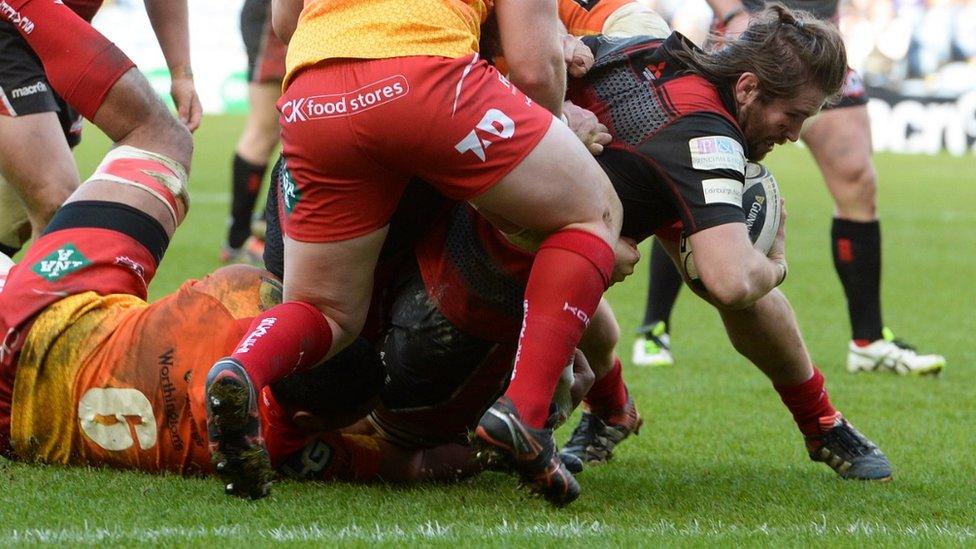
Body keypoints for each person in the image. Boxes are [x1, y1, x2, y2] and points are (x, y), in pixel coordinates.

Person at [207, 0, 629, 505]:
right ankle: (525, 411)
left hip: (313, 98)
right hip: (429, 80)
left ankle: (242, 369)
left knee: (327, 311)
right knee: (591, 212)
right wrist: (556, 125)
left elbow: (283, 23)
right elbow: (536, 69)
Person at [632, 0, 946, 375]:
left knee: (858, 180)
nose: (795, 137)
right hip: (758, 37)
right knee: (698, 179)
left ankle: (869, 341)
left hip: (821, 45)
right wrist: (733, 13)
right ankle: (655, 327)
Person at [0, 0, 201, 257]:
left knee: (11, 220)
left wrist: (182, 73)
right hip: (15, 28)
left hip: (66, 32)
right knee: (54, 201)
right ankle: (54, 296)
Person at [220, 0, 288, 265]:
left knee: (288, 126)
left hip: (292, 16)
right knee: (264, 129)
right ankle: (239, 236)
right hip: (274, 16)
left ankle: (263, 225)